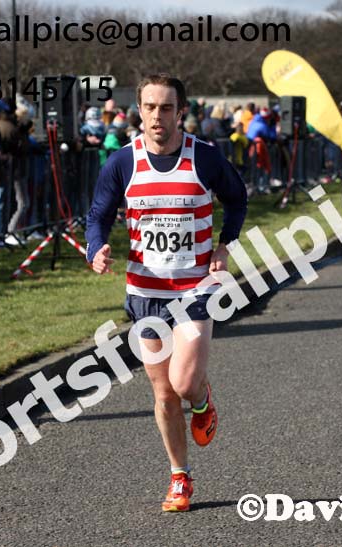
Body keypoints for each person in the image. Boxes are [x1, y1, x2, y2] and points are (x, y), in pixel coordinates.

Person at [86, 74, 248, 513]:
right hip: (145, 291)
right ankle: (180, 478)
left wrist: (223, 244)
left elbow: (237, 200)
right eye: (150, 107)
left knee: (184, 382)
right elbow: (98, 213)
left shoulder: (206, 158)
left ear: (181, 111)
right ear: (140, 109)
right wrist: (94, 247)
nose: (158, 116)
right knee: (162, 396)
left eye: (167, 108)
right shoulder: (122, 162)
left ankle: (202, 396)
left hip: (194, 288)